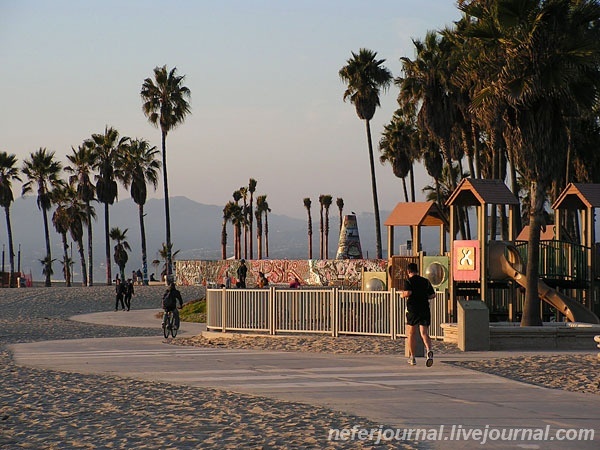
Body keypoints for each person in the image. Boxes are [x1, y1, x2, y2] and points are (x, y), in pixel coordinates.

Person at [401, 262, 435, 367]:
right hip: (424, 308)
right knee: (424, 333)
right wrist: (423, 297)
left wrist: (402, 295)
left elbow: (408, 293)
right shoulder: (425, 281)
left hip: (413, 309)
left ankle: (413, 357)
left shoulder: (408, 281)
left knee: (411, 333)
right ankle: (429, 351)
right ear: (417, 271)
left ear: (408, 271)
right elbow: (433, 295)